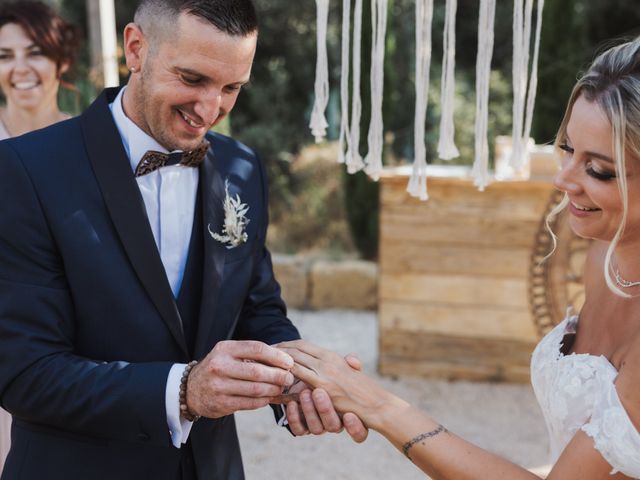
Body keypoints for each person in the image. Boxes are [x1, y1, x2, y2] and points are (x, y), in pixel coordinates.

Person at [0, 1, 365, 479]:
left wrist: (299, 379)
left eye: (231, 87)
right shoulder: (25, 170)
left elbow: (258, 310)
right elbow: (26, 372)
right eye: (193, 79)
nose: (210, 109)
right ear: (136, 48)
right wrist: (183, 392)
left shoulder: (243, 168)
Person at [279, 36, 640, 480]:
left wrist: (373, 403)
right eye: (566, 148)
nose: (564, 179)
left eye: (598, 170)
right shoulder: (604, 253)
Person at [0, 0, 80, 472]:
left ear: (62, 60)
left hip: (65, 347)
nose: (20, 68)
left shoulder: (92, 146)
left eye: (35, 52)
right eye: (4, 56)